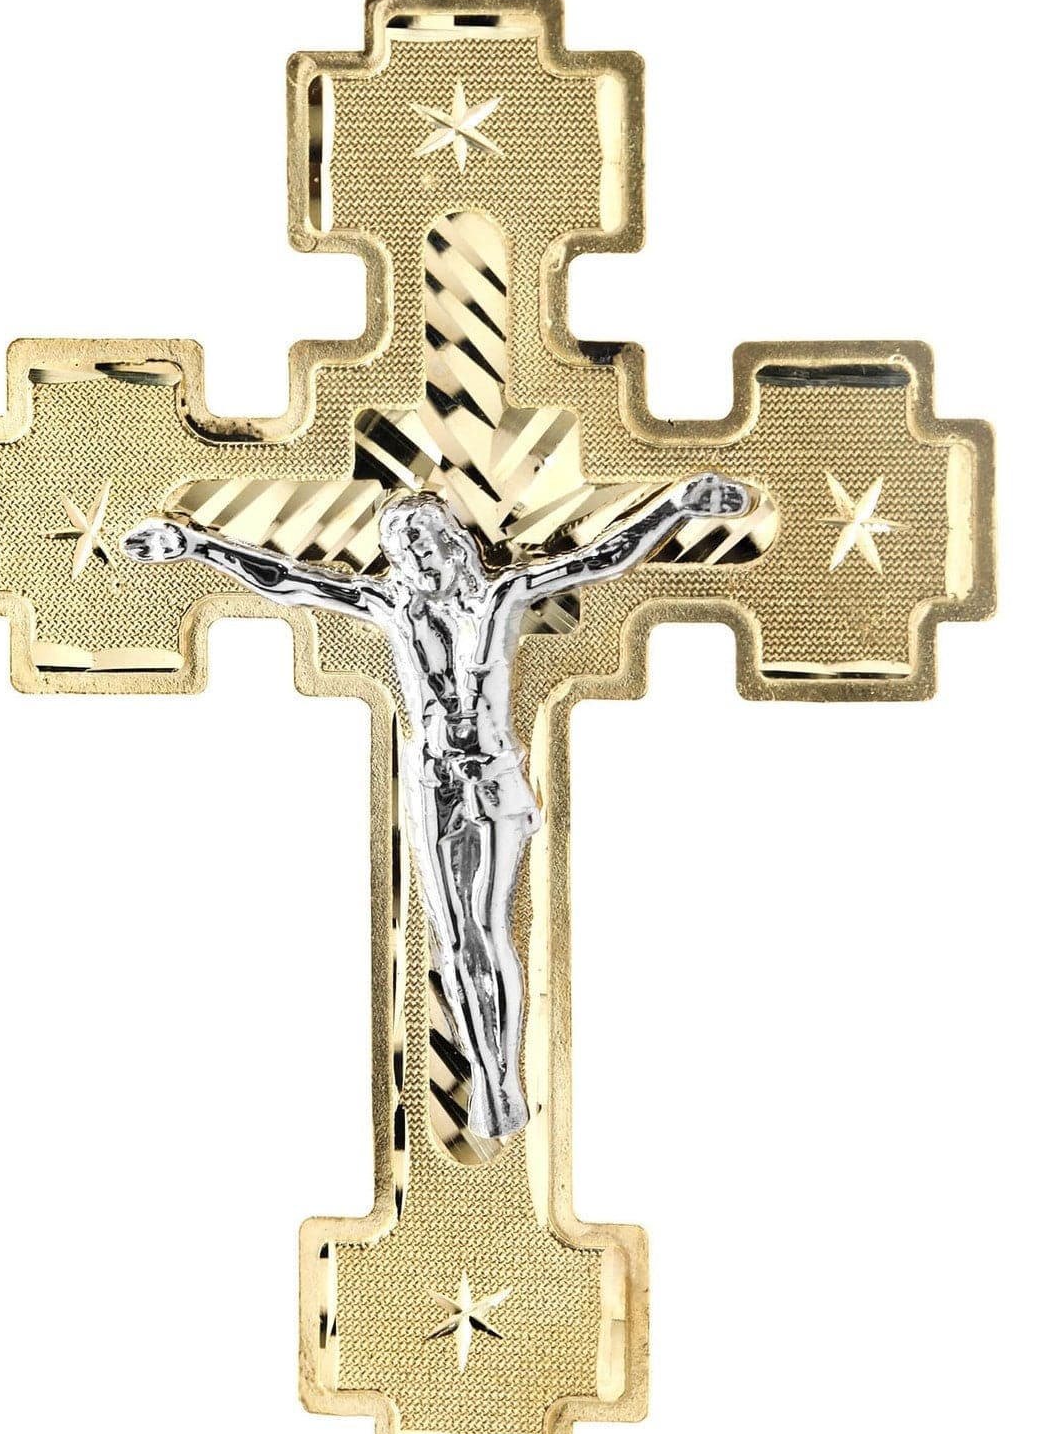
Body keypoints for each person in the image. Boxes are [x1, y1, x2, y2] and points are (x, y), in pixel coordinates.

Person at [125, 471, 748, 1139]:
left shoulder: (502, 595)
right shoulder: (392, 604)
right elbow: (288, 580)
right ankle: (487, 1081)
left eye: (423, 543)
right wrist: (198, 545)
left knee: (485, 925)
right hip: (432, 783)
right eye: (401, 549)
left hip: (491, 782)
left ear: (453, 542)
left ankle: (502, 1081)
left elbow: (601, 558)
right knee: (453, 941)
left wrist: (674, 507)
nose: (415, 558)